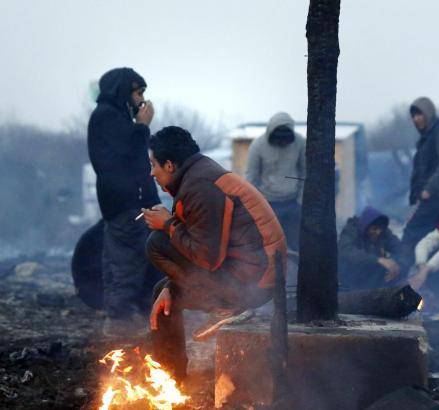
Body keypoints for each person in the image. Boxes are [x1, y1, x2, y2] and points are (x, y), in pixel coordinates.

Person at [142, 126, 286, 381]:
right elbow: (200, 248)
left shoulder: (201, 186)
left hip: (255, 283)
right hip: (245, 272)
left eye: (153, 165)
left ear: (169, 165)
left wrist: (167, 224)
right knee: (162, 296)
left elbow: (207, 258)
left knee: (157, 242)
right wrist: (171, 285)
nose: (151, 172)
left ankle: (231, 306)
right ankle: (170, 381)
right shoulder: (197, 176)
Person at [87, 67, 160, 337]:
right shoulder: (109, 117)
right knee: (128, 260)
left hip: (120, 200)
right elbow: (131, 158)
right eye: (138, 92)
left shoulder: (112, 117)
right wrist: (142, 126)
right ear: (124, 91)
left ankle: (123, 316)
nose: (141, 99)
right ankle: (120, 320)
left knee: (122, 258)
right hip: (123, 200)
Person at [401, 97, 439, 262]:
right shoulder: (424, 140)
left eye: (419, 114)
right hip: (426, 198)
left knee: (411, 234)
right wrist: (415, 196)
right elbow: (420, 171)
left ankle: (399, 276)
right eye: (414, 116)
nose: (416, 119)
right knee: (428, 238)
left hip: (438, 198)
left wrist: (429, 189)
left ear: (429, 113)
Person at [245, 112, 305, 251]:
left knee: (295, 247)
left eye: (286, 140)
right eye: (279, 140)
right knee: (269, 246)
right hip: (267, 204)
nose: (282, 143)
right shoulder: (258, 146)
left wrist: (301, 201)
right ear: (271, 134)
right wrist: (250, 207)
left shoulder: (300, 143)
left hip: (293, 204)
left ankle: (294, 272)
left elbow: (305, 172)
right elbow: (251, 178)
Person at [338, 206, 405, 291]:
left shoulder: (383, 232)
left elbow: (401, 249)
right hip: (350, 279)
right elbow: (346, 251)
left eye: (380, 229)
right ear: (366, 226)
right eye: (374, 228)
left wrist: (395, 264)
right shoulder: (351, 229)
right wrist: (378, 259)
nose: (378, 232)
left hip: (373, 280)